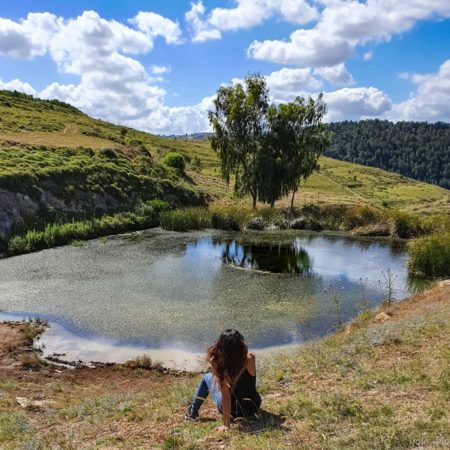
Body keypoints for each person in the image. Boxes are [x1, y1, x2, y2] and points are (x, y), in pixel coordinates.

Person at [185, 329, 261, 431]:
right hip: (253, 406)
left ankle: (192, 412)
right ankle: (193, 412)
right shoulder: (250, 358)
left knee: (207, 377)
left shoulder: (218, 363)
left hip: (233, 411)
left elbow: (226, 397)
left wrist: (226, 425)